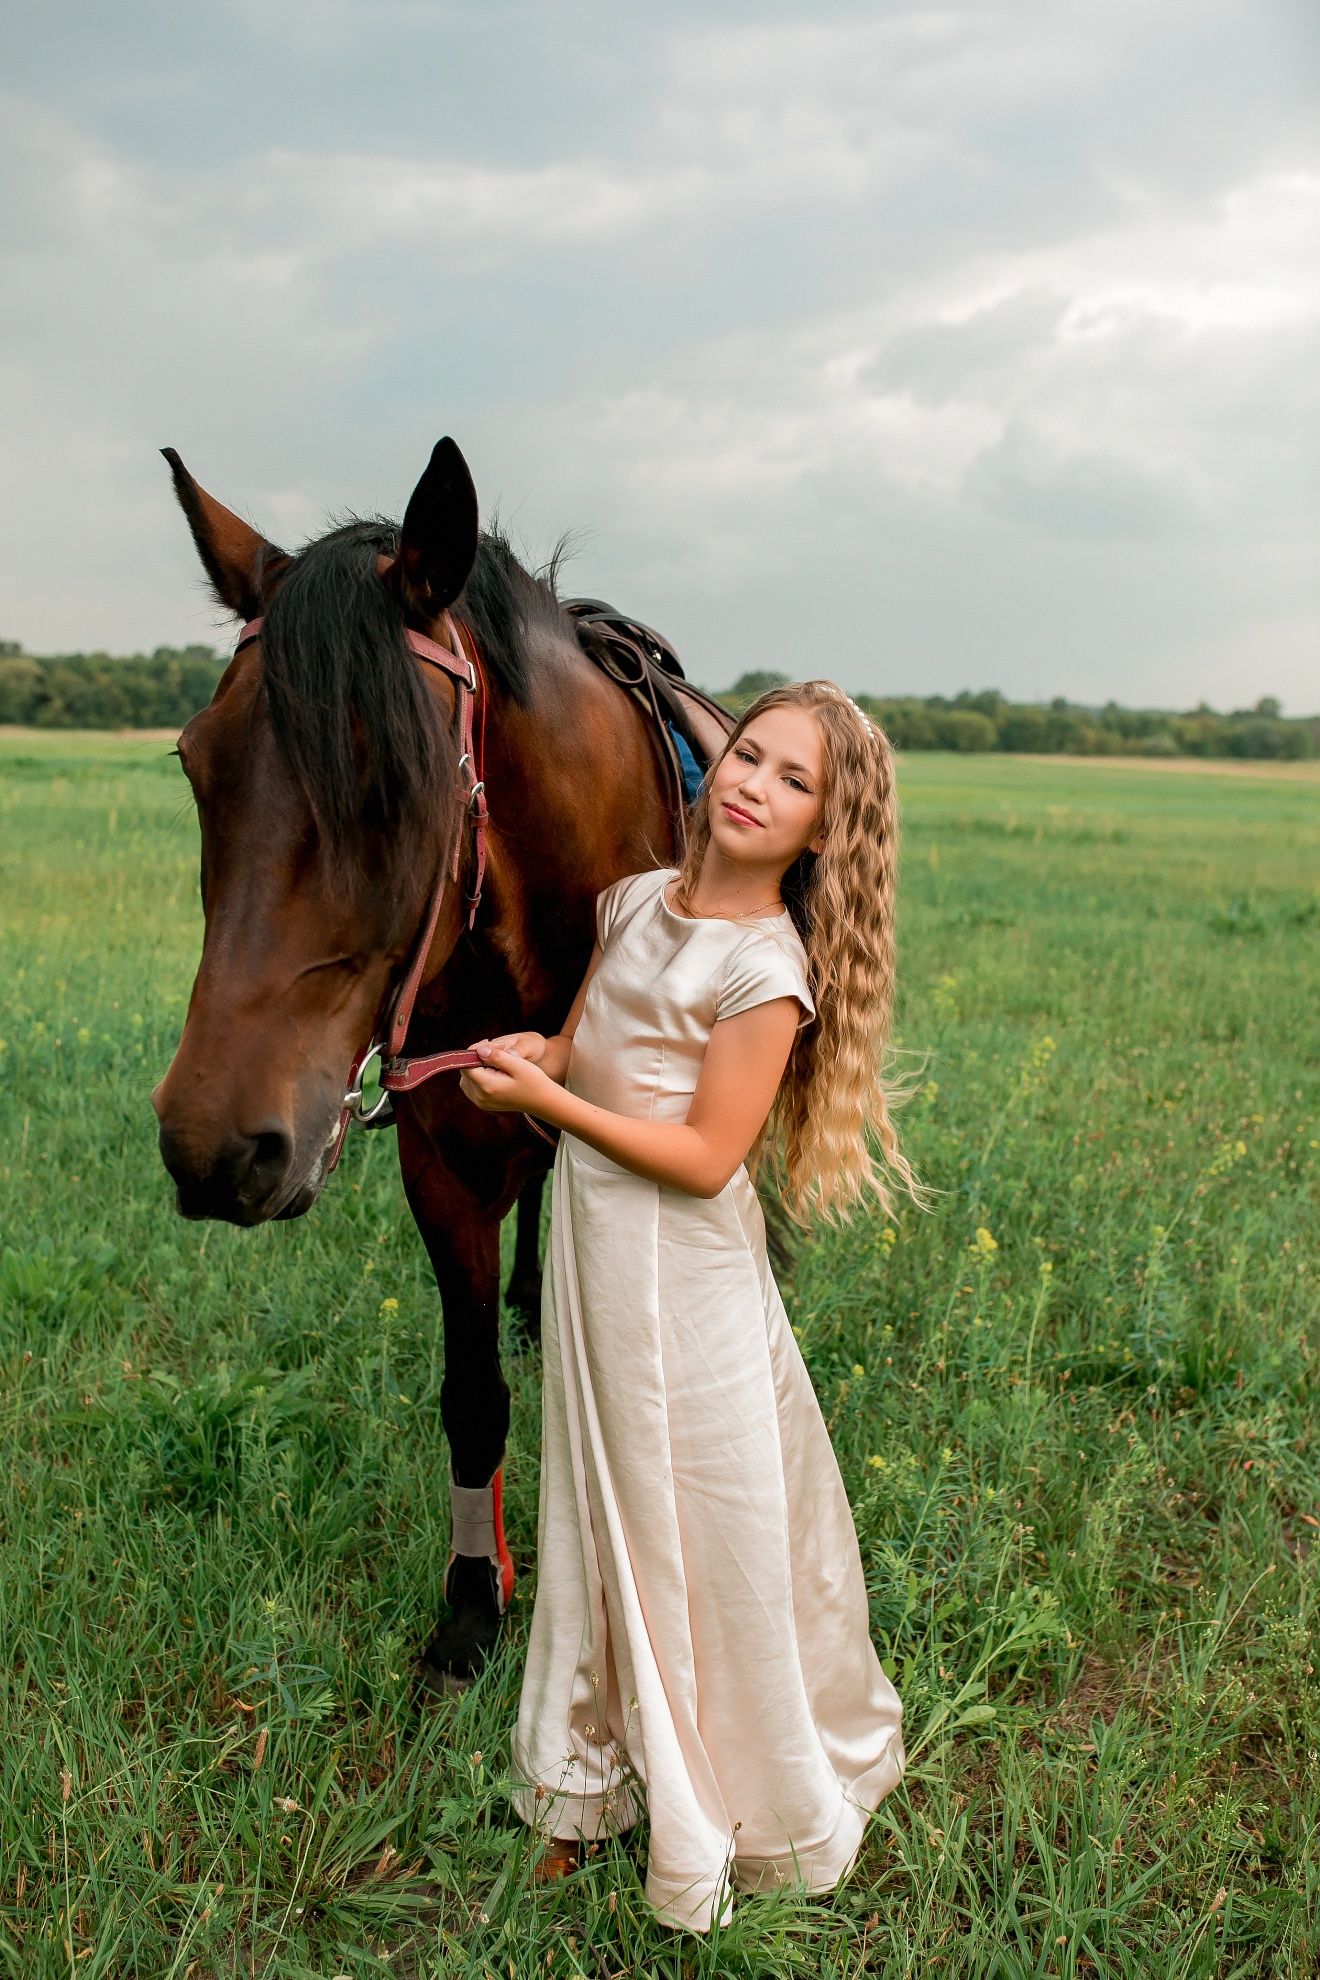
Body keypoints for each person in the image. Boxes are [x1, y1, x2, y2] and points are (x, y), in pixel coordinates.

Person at [457, 680, 931, 1934]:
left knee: (686, 1511)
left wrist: (546, 1114)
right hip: (595, 1258)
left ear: (824, 832)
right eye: (749, 754)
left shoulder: (766, 968)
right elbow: (583, 1045)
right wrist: (531, 1060)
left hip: (682, 1275)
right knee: (601, 1498)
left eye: (790, 782)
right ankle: (587, 1766)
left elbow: (708, 1156)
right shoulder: (630, 906)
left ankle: (722, 1782)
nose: (752, 785)